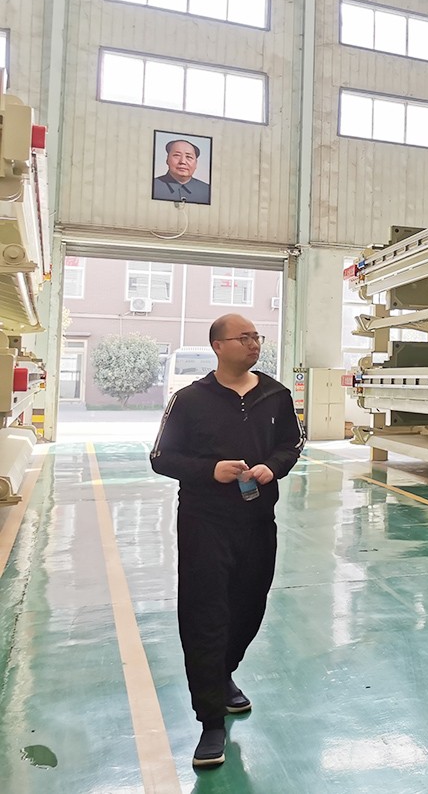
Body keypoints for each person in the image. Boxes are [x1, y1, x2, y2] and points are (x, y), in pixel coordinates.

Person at [150, 314, 303, 769]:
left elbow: (293, 444)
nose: (254, 344)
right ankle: (210, 719)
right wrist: (209, 470)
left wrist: (273, 466)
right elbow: (161, 457)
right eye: (244, 338)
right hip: (205, 523)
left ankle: (223, 672)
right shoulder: (189, 400)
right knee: (205, 614)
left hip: (257, 521)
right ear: (218, 346)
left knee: (249, 606)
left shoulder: (275, 394)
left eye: (257, 337)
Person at [153, 138, 211, 205]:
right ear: (167, 159)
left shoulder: (207, 191)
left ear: (196, 163)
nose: (182, 161)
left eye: (189, 157)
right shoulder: (153, 186)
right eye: (177, 155)